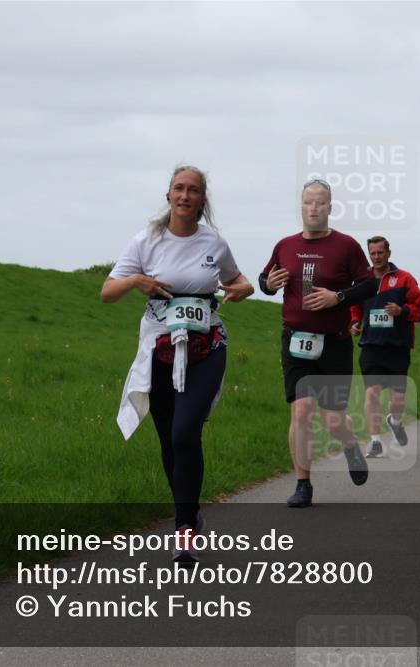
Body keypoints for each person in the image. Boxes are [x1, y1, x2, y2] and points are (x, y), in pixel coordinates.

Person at [106, 165, 254, 562]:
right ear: (169, 195)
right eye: (179, 188)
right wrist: (136, 281)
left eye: (193, 190)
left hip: (207, 346)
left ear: (202, 199)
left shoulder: (214, 242)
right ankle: (190, 514)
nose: (185, 196)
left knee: (186, 431)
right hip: (160, 348)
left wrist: (240, 289)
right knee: (170, 440)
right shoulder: (146, 241)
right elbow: (107, 291)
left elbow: (240, 281)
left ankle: (184, 529)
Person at [259, 179, 378, 508]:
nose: (313, 208)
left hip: (335, 344)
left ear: (330, 207)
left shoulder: (346, 245)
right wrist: (268, 284)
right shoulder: (285, 245)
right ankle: (303, 484)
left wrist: (337, 297)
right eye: (308, 202)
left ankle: (350, 444)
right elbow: (265, 280)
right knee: (301, 411)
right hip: (295, 341)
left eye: (320, 203)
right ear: (301, 206)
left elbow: (369, 286)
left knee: (333, 419)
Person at [348, 236, 420, 458]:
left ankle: (394, 420)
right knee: (371, 393)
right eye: (372, 253)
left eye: (380, 252)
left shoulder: (404, 279)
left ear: (389, 253)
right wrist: (354, 323)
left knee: (397, 400)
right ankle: (375, 442)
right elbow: (354, 308)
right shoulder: (362, 281)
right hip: (371, 346)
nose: (376, 257)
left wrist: (402, 311)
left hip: (398, 347)